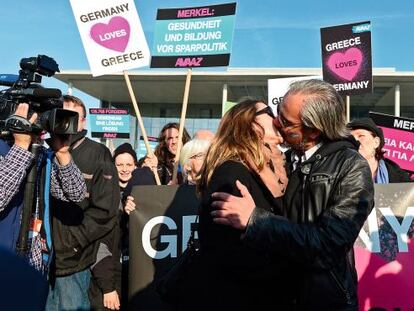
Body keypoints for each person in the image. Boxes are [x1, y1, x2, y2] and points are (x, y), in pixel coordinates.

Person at [211, 80, 375, 311]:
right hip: (278, 297)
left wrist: (255, 219)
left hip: (324, 301)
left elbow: (327, 245)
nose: (276, 123)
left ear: (313, 130)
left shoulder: (351, 167)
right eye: (277, 113)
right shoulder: (284, 162)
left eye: (286, 122)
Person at [179, 99, 289, 311]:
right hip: (244, 296)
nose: (276, 116)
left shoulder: (274, 168)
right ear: (249, 123)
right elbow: (223, 247)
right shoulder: (231, 171)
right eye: (268, 111)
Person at [46, 95, 120, 311]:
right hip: (44, 259)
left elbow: (106, 211)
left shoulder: (98, 154)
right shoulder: (44, 151)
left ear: (83, 122)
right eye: (61, 115)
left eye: (72, 116)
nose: (65, 122)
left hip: (74, 261)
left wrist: (73, 242)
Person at [0, 103, 86, 262]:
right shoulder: (3, 150)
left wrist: (63, 153)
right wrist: (20, 146)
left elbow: (76, 194)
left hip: (34, 261)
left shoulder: (42, 156)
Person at [348, 117, 413, 183]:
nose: (355, 141)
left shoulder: (398, 176)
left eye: (361, 136)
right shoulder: (341, 172)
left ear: (376, 142)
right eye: (351, 138)